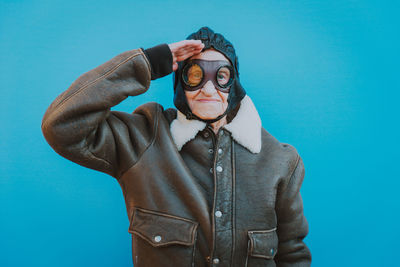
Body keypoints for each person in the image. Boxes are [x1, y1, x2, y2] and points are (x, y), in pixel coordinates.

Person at [42, 26, 311, 267]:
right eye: (194, 75)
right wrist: (147, 63)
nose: (208, 89)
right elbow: (61, 126)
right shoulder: (143, 139)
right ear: (180, 83)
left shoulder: (279, 161)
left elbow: (292, 255)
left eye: (221, 76)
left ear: (235, 84)